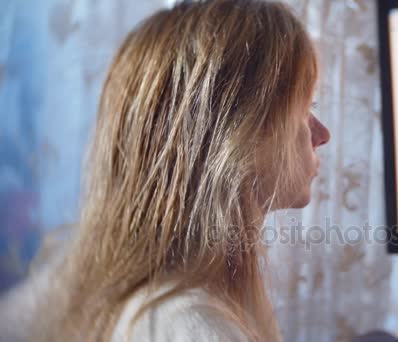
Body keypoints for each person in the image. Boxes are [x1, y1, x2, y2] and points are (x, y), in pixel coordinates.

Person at [22, 0, 330, 341]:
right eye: (304, 110)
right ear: (235, 134)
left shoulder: (134, 285)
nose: (322, 134)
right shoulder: (198, 328)